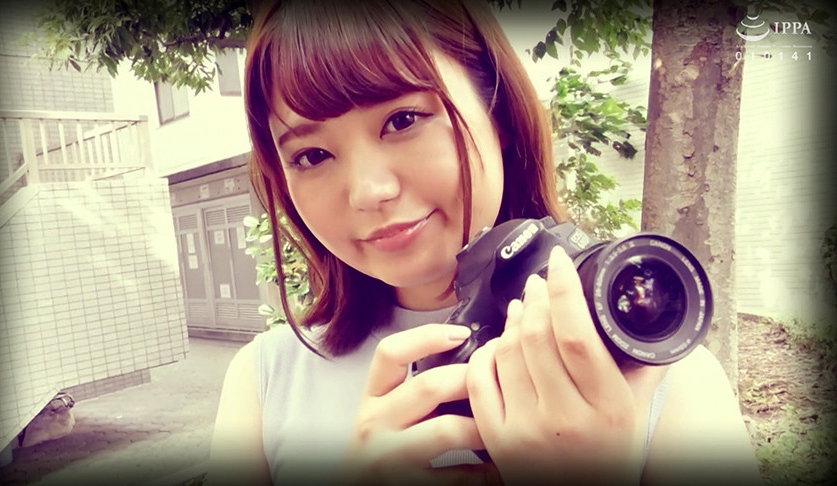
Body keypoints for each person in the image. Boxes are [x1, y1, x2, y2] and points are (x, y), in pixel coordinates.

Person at [208, 0, 761, 484]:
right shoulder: (266, 380)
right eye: (311, 155)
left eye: (403, 120)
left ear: (497, 113)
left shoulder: (662, 376)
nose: (369, 192)